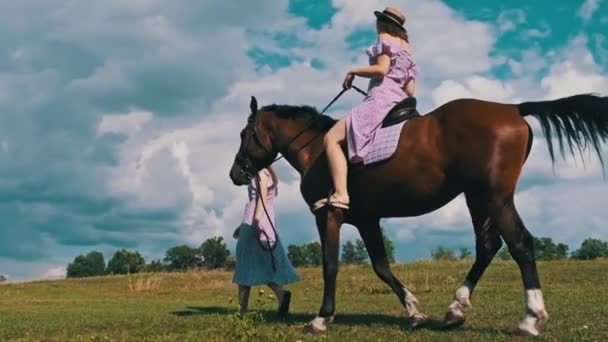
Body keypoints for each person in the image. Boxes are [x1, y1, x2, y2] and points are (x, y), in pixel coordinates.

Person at [314, 7, 420, 211]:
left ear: (383, 23)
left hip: (380, 98)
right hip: (398, 100)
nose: (376, 24)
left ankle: (341, 194)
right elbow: (410, 88)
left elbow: (381, 70)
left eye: (378, 20)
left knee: (331, 139)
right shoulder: (408, 49)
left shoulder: (384, 37)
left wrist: (352, 71)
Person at [232, 166, 300, 317]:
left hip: (255, 223)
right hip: (265, 222)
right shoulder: (269, 174)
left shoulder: (261, 174)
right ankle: (282, 295)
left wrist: (255, 222)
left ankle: (242, 311)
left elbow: (260, 200)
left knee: (244, 266)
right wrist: (241, 226)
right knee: (264, 265)